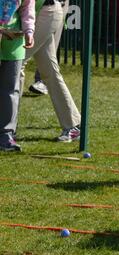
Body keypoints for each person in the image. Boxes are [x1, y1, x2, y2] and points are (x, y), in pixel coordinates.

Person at [20, 0, 81, 143]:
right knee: (50, 71)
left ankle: (7, 127)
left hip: (46, 12)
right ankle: (74, 125)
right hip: (38, 13)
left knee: (17, 63)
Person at [0, 0, 35, 152]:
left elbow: (27, 9)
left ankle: (6, 135)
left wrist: (29, 32)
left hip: (14, 40)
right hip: (5, 34)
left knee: (10, 89)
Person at [28, 0, 69, 95]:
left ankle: (42, 82)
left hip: (53, 7)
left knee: (20, 60)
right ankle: (69, 110)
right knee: (50, 63)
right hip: (36, 6)